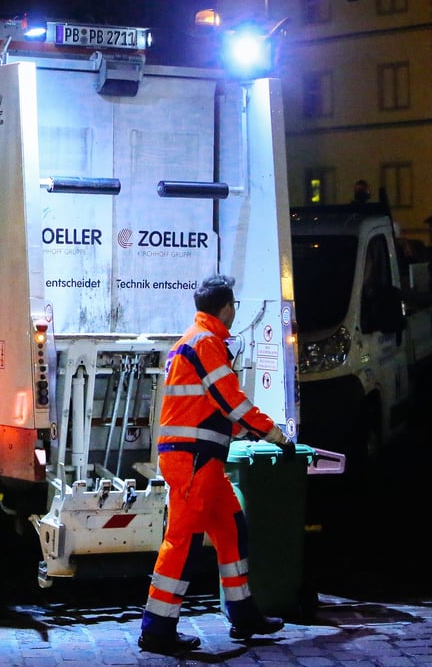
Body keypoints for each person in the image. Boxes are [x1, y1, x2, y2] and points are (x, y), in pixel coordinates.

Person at [138, 274, 289, 655]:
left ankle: (243, 615)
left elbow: (215, 405)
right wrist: (274, 434)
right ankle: (157, 628)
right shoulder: (207, 343)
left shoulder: (195, 339)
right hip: (195, 458)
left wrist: (246, 428)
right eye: (234, 305)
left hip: (198, 458)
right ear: (227, 307)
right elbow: (231, 400)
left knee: (231, 528)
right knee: (183, 541)